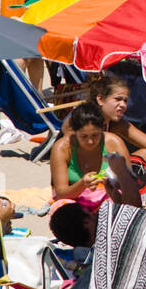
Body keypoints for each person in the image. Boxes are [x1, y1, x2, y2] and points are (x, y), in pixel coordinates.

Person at [48, 103, 131, 246]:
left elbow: (130, 184)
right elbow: (61, 193)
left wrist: (112, 183)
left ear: (103, 129)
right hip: (74, 198)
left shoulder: (113, 142)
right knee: (60, 209)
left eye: (95, 135)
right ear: (74, 132)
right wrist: (82, 184)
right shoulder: (62, 147)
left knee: (119, 207)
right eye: (84, 136)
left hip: (108, 196)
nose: (90, 141)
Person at [87, 74, 146, 176]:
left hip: (105, 170)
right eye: (118, 99)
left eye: (125, 101)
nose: (123, 105)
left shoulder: (115, 124)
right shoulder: (84, 122)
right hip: (84, 177)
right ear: (100, 99)